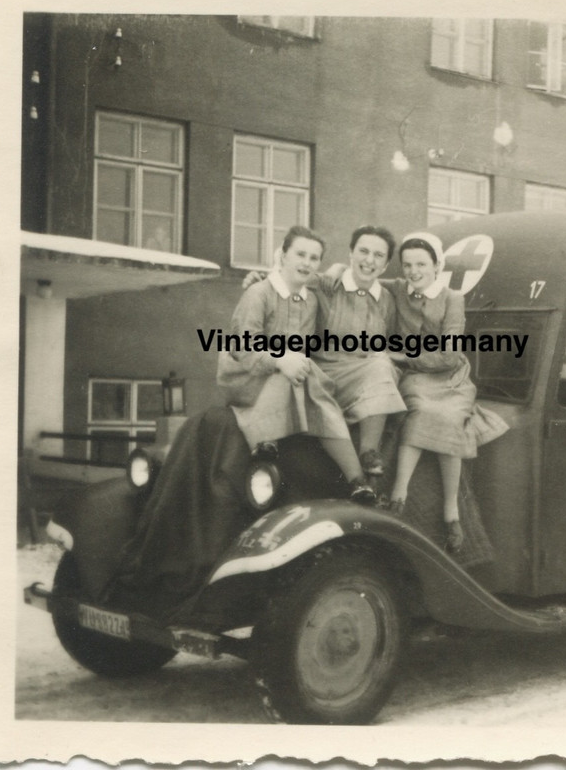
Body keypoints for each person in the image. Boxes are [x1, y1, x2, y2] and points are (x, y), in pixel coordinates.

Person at [218, 226, 375, 502]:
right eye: (300, 254)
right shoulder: (259, 293)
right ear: (283, 256)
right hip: (247, 374)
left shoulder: (310, 299)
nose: (306, 262)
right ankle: (264, 443)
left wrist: (338, 268)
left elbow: (340, 280)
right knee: (300, 376)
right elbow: (241, 346)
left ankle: (358, 482)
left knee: (312, 383)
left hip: (291, 375)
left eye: (314, 258)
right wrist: (280, 358)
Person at [383, 233, 508, 552]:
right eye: (408, 264)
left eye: (421, 264)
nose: (414, 271)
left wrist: (399, 354)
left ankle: (451, 510)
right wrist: (273, 275)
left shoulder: (453, 298)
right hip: (416, 377)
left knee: (451, 416)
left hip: (450, 376)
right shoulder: (398, 289)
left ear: (437, 265)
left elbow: (449, 355)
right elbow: (350, 274)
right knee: (421, 409)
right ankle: (399, 493)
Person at [307, 225, 406, 480]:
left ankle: (368, 452)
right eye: (363, 251)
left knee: (382, 362)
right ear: (350, 253)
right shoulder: (326, 284)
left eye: (378, 255)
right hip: (325, 373)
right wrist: (258, 278)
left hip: (365, 378)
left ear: (385, 265)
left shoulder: (386, 300)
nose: (369, 260)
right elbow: (291, 277)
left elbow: (388, 342)